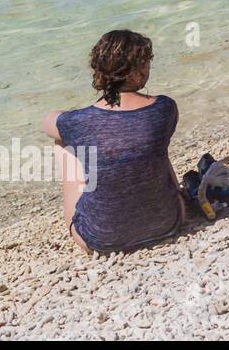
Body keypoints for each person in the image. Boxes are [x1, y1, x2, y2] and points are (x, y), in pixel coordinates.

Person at [42, 30, 185, 254]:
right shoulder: (164, 108)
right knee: (153, 144)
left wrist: (76, 121)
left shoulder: (78, 121)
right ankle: (164, 201)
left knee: (63, 143)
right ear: (138, 69)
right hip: (170, 222)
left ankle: (87, 214)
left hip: (100, 238)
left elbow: (48, 123)